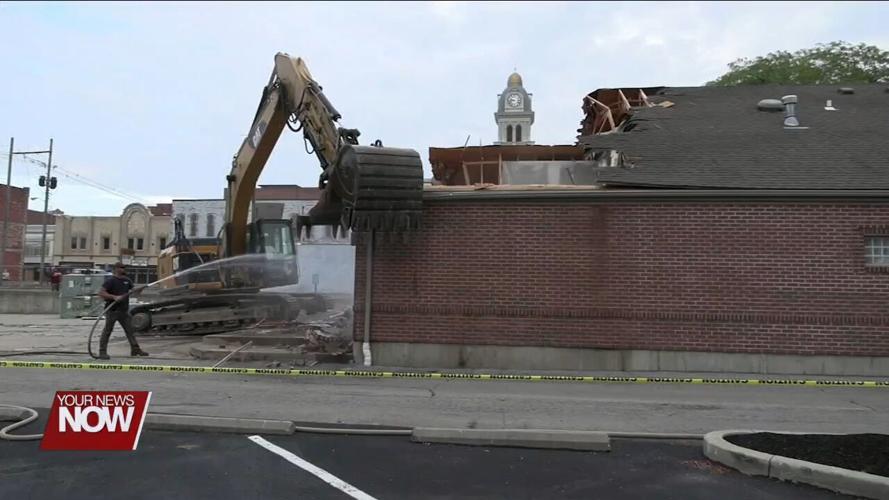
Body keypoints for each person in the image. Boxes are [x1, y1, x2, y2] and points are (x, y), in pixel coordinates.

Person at [96, 262, 148, 359]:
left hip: (124, 311)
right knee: (107, 331)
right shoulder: (110, 281)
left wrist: (140, 289)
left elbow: (135, 292)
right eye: (122, 267)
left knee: (130, 330)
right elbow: (101, 293)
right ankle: (102, 352)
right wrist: (114, 297)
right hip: (112, 310)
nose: (124, 269)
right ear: (116, 269)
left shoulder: (127, 280)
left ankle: (135, 350)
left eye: (124, 267)